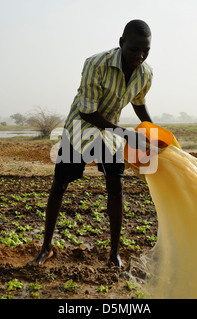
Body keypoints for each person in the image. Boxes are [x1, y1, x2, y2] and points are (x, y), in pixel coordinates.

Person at [29, 20, 153, 268]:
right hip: (81, 128)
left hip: (111, 133)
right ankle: (46, 248)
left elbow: (139, 102)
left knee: (115, 188)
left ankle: (114, 255)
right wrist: (127, 134)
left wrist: (154, 132)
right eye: (133, 50)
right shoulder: (96, 64)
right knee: (60, 184)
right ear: (121, 43)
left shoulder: (145, 73)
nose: (139, 56)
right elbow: (87, 111)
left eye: (146, 50)